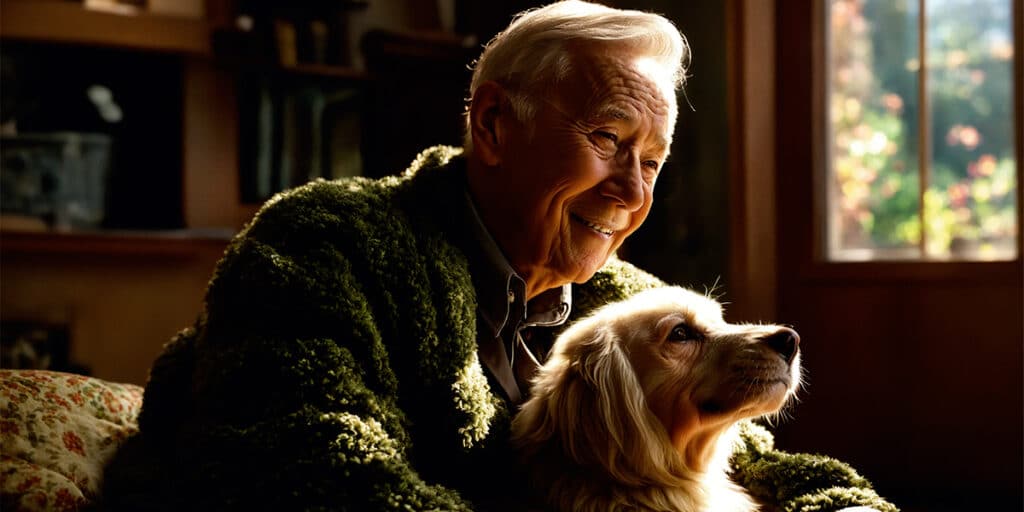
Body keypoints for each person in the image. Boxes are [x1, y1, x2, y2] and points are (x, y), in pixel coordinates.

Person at [102, 1, 896, 511]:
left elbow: (754, 460)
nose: (630, 191)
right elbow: (306, 468)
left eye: (651, 161)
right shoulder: (326, 241)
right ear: (492, 127)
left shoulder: (622, 301)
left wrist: (842, 507)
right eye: (608, 141)